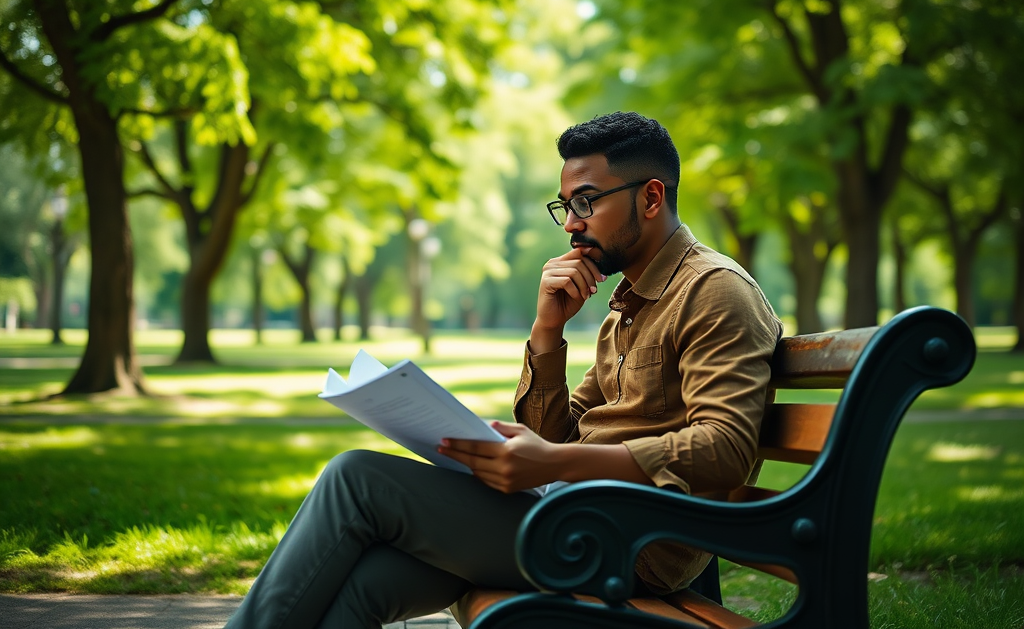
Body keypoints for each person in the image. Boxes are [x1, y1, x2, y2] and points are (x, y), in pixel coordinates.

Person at [223, 111, 782, 629]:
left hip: (626, 544)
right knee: (366, 585)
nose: (571, 225)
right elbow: (552, 435)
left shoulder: (714, 291)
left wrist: (555, 462)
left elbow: (726, 448)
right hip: (572, 516)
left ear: (652, 197)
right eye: (566, 206)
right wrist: (546, 333)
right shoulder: (629, 304)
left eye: (586, 202)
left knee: (355, 479)